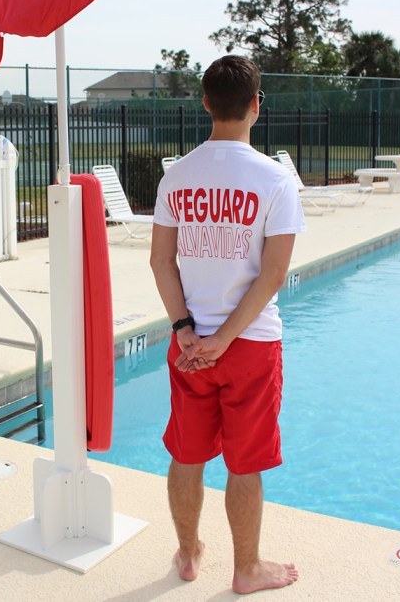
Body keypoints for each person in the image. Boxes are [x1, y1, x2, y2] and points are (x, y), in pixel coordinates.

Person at [150, 55, 305, 594]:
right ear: (256, 105)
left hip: (190, 345)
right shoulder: (276, 180)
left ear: (206, 103)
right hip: (249, 346)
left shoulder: (178, 175)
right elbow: (274, 275)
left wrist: (184, 328)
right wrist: (225, 340)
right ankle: (246, 569)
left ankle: (189, 554)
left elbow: (160, 262)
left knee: (186, 453)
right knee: (245, 463)